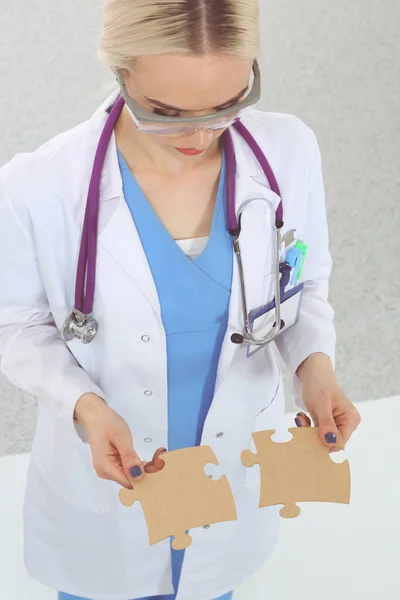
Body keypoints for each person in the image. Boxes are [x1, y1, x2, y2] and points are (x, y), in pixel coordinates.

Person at [0, 1, 361, 599]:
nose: (199, 136)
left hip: (233, 468)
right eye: (164, 113)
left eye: (227, 106)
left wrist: (313, 366)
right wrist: (84, 406)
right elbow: (16, 325)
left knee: (210, 583)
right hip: (106, 482)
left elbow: (304, 282)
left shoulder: (288, 151)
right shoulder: (37, 187)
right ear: (121, 73)